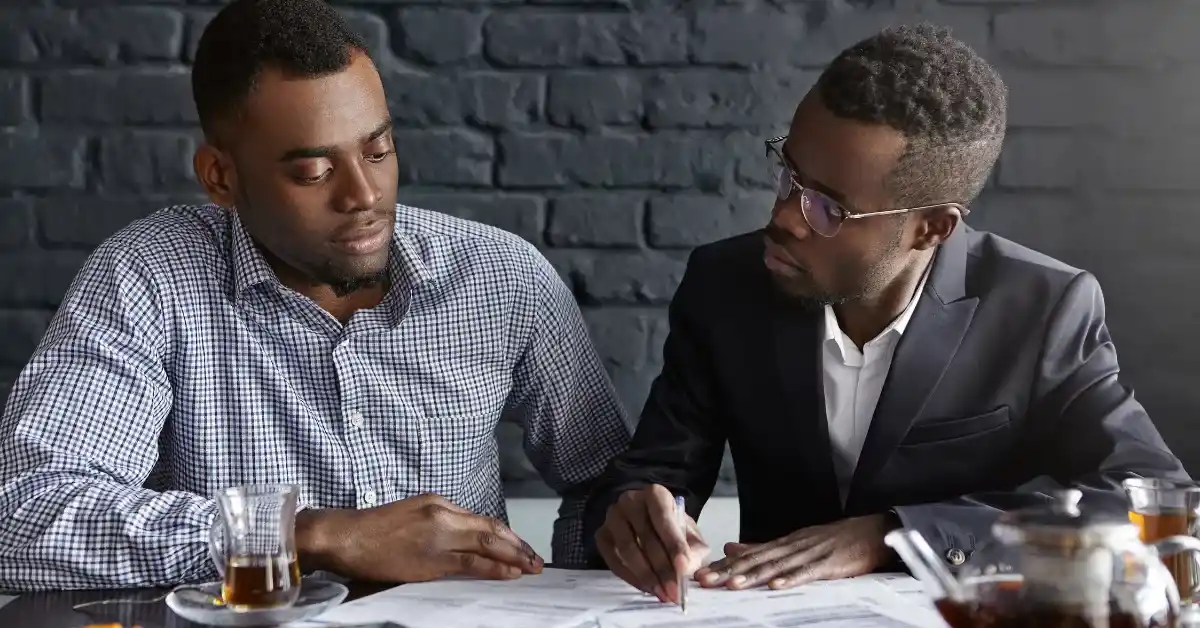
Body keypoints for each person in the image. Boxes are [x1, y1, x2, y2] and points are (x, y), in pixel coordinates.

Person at [0, 0, 632, 591]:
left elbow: (605, 481)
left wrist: (615, 543)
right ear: (222, 177)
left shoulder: (502, 276)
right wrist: (316, 536)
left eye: (379, 149)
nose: (363, 195)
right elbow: (22, 513)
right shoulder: (150, 278)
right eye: (313, 171)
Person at [585, 24, 1188, 602]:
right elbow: (659, 468)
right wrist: (642, 507)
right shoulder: (726, 286)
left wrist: (896, 535)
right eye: (787, 173)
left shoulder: (1042, 309)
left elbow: (1150, 505)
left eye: (827, 208)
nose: (785, 216)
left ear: (931, 228)